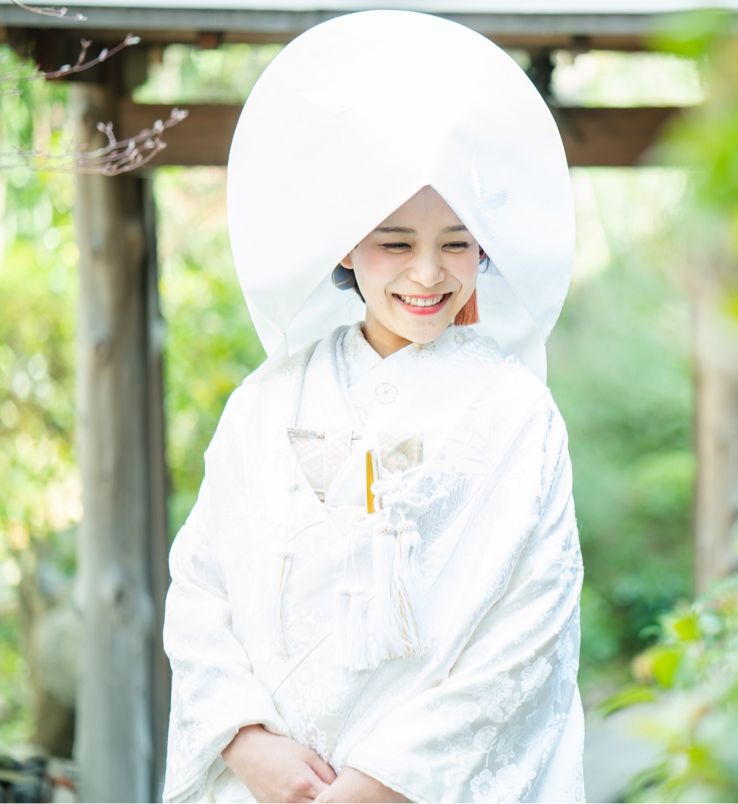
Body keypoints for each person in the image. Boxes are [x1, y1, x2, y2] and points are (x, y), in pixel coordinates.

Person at [161, 10, 584, 802]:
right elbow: (201, 588)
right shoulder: (266, 403)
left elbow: (531, 625)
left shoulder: (516, 414)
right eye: (395, 243)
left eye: (456, 241)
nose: (428, 274)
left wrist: (386, 780)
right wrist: (246, 741)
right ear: (346, 248)